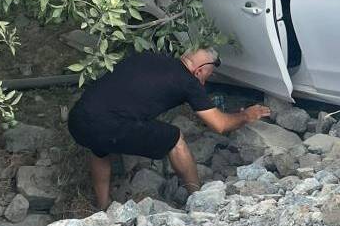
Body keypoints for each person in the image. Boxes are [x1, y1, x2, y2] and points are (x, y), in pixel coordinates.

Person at [67, 48, 271, 209]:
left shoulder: (146, 57)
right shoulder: (188, 81)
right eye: (209, 74)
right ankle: (198, 198)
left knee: (99, 147)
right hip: (110, 126)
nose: (206, 79)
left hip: (79, 119)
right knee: (175, 139)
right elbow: (220, 124)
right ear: (200, 70)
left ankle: (102, 206)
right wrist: (246, 115)